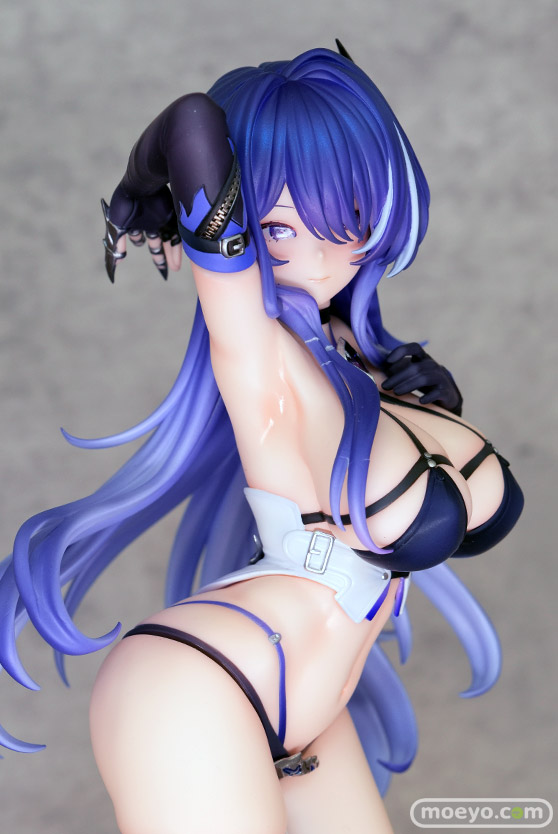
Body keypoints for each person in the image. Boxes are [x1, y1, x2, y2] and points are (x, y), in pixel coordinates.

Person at [0, 45, 523, 834]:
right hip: (199, 687)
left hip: (311, 715)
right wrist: (141, 197)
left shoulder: (370, 362)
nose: (315, 255)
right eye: (276, 227)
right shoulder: (258, 350)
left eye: (343, 215)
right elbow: (193, 122)